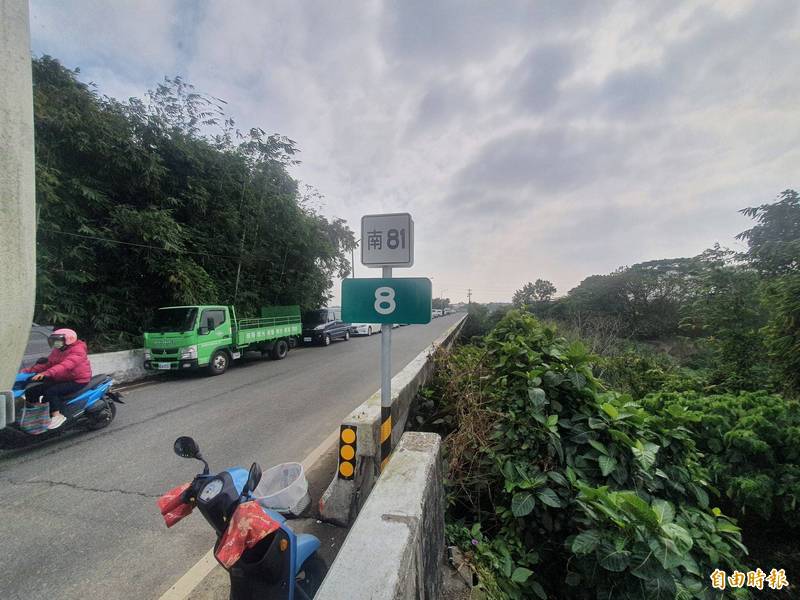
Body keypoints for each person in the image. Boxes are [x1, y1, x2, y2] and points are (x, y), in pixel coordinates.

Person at [20, 328, 92, 429]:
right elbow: (48, 364)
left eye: (57, 340)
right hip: (61, 378)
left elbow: (65, 365)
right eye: (54, 340)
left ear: (68, 340)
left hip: (77, 380)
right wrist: (25, 371)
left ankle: (57, 416)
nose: (55, 343)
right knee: (32, 391)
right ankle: (37, 414)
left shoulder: (78, 350)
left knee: (51, 392)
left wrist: (46, 373)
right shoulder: (58, 350)